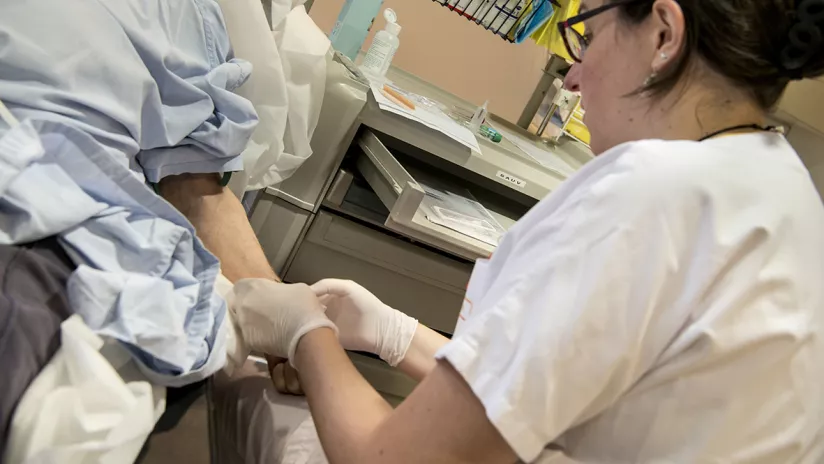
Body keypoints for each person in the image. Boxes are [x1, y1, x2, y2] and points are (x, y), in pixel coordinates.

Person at [219, 0, 824, 462]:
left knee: (256, 398)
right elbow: (547, 389)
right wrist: (398, 335)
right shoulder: (786, 195)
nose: (574, 80)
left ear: (663, 34)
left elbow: (390, 454)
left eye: (585, 39)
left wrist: (307, 333)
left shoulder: (651, 191)